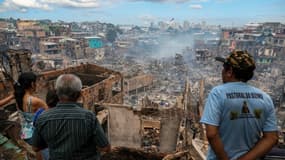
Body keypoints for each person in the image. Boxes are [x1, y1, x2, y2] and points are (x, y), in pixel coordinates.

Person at [200, 50, 278, 160]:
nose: (222, 71)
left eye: (224, 68)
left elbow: (212, 134)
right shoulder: (265, 98)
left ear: (229, 71)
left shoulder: (218, 93)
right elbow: (271, 138)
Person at [32, 74, 111, 160]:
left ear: (57, 93)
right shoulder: (88, 117)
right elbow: (105, 147)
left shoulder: (43, 118)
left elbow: (35, 147)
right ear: (80, 94)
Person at [13, 71, 48, 144]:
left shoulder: (19, 97)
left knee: (38, 152)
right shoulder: (35, 101)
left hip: (26, 134)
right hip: (36, 134)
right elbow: (50, 114)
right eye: (36, 82)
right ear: (32, 84)